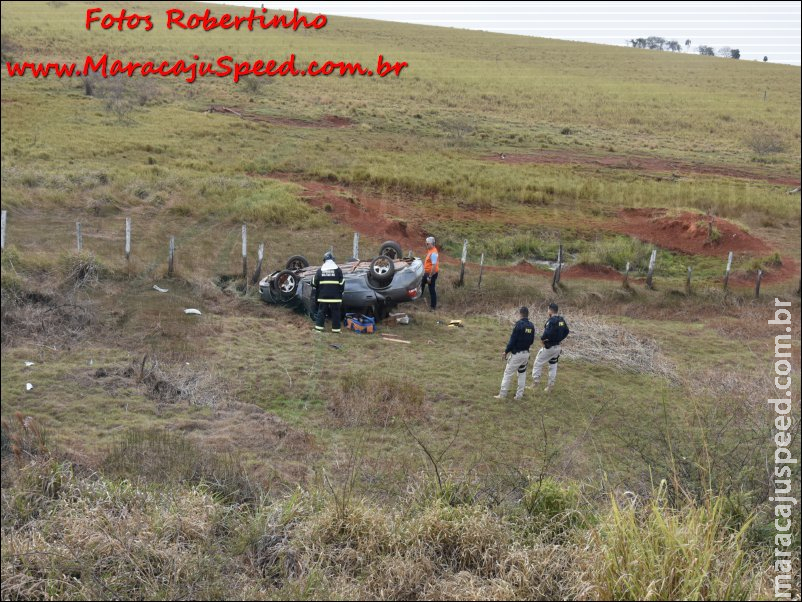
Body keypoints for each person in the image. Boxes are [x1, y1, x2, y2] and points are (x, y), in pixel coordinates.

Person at [494, 307, 536, 401]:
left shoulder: (519, 325)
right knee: (522, 373)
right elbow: (532, 340)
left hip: (517, 354)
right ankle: (519, 396)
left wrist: (506, 351)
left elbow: (512, 340)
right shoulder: (531, 326)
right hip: (526, 354)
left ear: (520, 314)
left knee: (508, 373)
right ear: (527, 314)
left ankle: (502, 394)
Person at [531, 303, 570, 393]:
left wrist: (543, 340)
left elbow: (546, 333)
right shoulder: (561, 320)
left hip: (549, 347)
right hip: (557, 347)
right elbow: (567, 331)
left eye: (548, 309)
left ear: (550, 310)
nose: (547, 311)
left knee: (538, 362)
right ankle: (550, 386)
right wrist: (560, 339)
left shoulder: (551, 321)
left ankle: (535, 383)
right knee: (553, 366)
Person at [313, 251, 344, 333]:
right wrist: (341, 292)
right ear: (333, 260)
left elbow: (314, 282)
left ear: (324, 260)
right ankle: (336, 330)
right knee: (336, 313)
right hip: (335, 298)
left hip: (323, 297)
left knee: (321, 312)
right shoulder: (338, 270)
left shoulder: (320, 270)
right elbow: (342, 283)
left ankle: (318, 329)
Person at [421, 236, 439, 310]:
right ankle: (419, 298)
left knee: (431, 290)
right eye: (426, 243)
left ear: (432, 244)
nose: (426, 245)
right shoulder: (431, 250)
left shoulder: (433, 253)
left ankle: (433, 306)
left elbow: (434, 266)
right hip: (427, 273)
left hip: (431, 274)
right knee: (421, 284)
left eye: (427, 244)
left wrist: (430, 276)